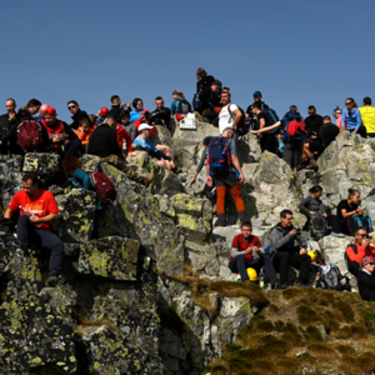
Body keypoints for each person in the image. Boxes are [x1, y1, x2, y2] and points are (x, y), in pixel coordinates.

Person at [4, 172, 63, 287]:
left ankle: (52, 276)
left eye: (28, 188)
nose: (25, 190)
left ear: (36, 185)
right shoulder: (20, 195)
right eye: (24, 187)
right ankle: (22, 248)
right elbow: (10, 210)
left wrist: (37, 221)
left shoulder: (47, 196)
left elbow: (55, 216)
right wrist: (6, 224)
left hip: (40, 231)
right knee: (23, 218)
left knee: (58, 244)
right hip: (24, 229)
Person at [87, 118, 154, 186]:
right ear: (112, 124)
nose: (115, 129)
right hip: (104, 157)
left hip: (91, 158)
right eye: (115, 126)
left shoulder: (95, 131)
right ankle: (143, 180)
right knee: (124, 167)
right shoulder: (110, 131)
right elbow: (115, 147)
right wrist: (120, 154)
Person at [207, 128, 246, 226]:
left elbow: (208, 162)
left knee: (220, 198)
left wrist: (208, 175)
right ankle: (244, 221)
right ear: (229, 133)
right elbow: (234, 158)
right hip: (230, 173)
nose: (232, 137)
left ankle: (221, 222)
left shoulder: (213, 142)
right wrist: (241, 173)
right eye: (232, 135)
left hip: (217, 174)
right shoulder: (230, 141)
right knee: (237, 196)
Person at [62, 157, 104, 239]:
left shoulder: (76, 171)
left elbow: (86, 178)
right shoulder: (81, 171)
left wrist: (85, 194)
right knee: (94, 227)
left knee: (93, 228)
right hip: (98, 203)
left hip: (94, 203)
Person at [229, 221, 279, 288]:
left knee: (266, 257)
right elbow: (234, 253)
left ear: (251, 230)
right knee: (240, 257)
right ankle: (245, 280)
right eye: (244, 230)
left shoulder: (255, 238)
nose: (246, 232)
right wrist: (245, 252)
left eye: (248, 230)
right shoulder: (237, 238)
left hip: (249, 263)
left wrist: (258, 252)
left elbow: (262, 251)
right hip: (236, 264)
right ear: (241, 230)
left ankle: (274, 282)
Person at [270, 209, 311, 289]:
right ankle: (283, 282)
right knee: (285, 254)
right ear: (282, 218)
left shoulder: (292, 228)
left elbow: (302, 240)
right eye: (289, 219)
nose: (291, 221)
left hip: (289, 255)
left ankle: (300, 282)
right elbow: (276, 245)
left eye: (292, 218)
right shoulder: (276, 230)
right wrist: (289, 235)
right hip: (277, 256)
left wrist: (303, 247)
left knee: (306, 258)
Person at [189, 136, 216, 205]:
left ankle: (215, 204)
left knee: (207, 190)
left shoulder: (206, 150)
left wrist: (194, 177)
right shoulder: (220, 148)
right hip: (225, 174)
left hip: (213, 175)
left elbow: (201, 164)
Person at [280, 106, 306, 173]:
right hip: (298, 141)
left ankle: (289, 178)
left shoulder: (285, 116)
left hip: (288, 141)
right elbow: (303, 130)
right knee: (295, 163)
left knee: (288, 162)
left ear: (289, 110)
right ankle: (295, 175)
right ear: (296, 110)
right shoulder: (300, 118)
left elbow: (282, 127)